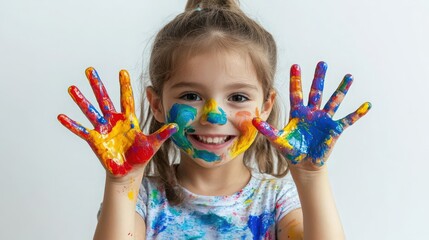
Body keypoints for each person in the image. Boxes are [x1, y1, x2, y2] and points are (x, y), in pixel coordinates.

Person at [58, 0, 371, 239]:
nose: (213, 115)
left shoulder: (276, 200)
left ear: (265, 106)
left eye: (237, 98)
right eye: (191, 96)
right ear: (156, 104)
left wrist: (311, 177)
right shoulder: (142, 198)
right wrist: (121, 182)